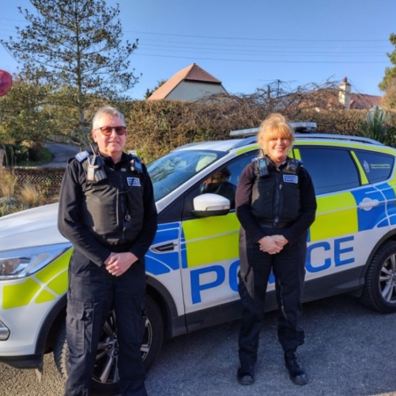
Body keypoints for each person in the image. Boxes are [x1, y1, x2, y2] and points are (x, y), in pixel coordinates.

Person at [58, 106, 157, 396]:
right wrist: (105, 258)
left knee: (131, 338)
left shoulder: (137, 168)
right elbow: (67, 222)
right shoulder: (79, 166)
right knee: (83, 344)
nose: (114, 135)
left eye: (120, 129)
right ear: (95, 135)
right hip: (91, 269)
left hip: (131, 266)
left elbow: (151, 219)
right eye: (107, 129)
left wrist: (132, 255)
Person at [235, 113, 317, 386]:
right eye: (274, 139)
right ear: (263, 142)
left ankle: (291, 356)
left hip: (289, 243)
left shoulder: (300, 171)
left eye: (284, 138)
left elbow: (309, 211)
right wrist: (262, 239)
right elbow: (243, 209)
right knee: (251, 303)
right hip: (256, 242)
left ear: (290, 142)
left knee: (290, 303)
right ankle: (247, 362)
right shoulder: (251, 170)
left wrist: (286, 238)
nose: (279, 143)